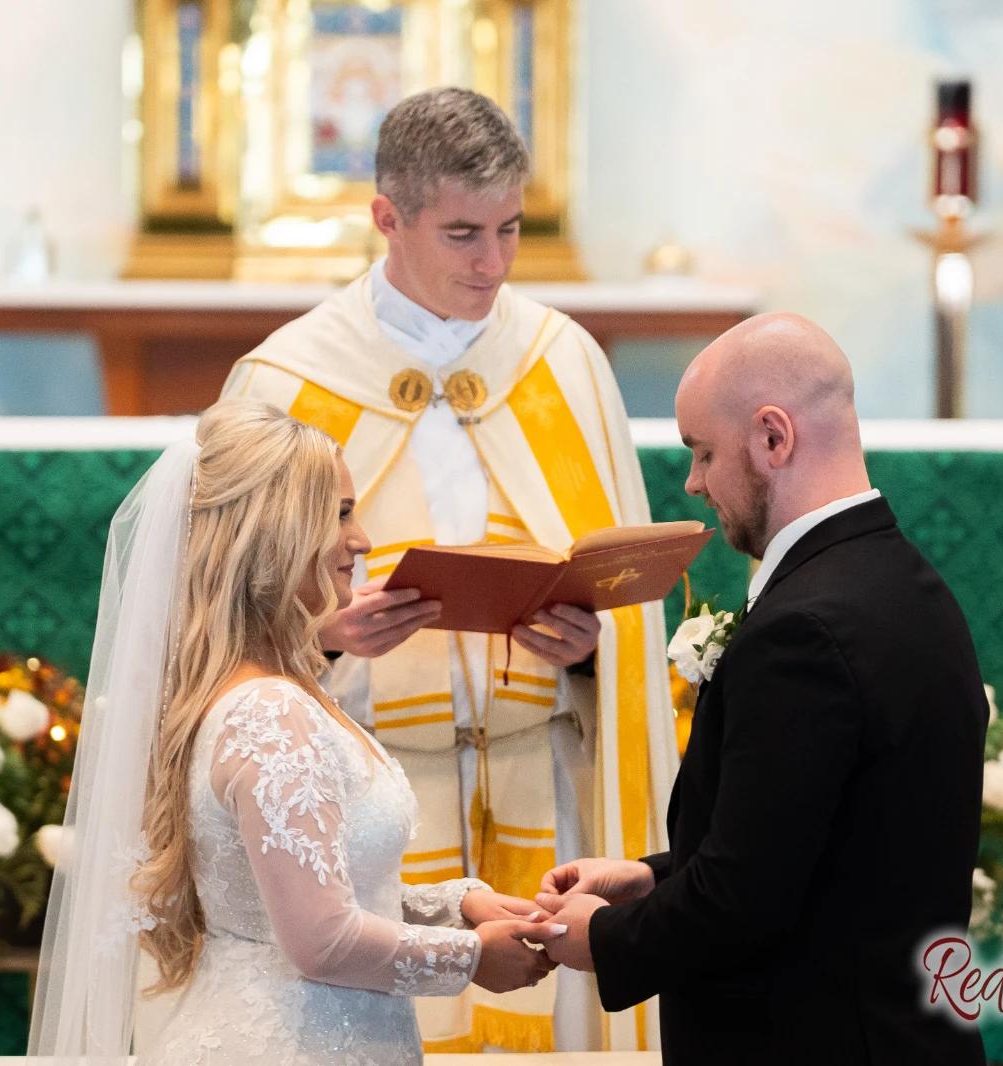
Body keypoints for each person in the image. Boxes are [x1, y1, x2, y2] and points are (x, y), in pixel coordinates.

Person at [219, 87, 677, 1052]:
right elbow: (224, 618)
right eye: (462, 234)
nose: (493, 264)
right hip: (368, 802)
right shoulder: (287, 380)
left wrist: (591, 649)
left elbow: (625, 599)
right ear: (386, 217)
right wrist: (325, 639)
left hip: (544, 782)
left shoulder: (564, 363)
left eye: (510, 230)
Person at [28, 400, 568, 1066]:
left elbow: (306, 894)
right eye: (339, 514)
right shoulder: (268, 712)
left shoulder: (272, 691)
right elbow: (322, 940)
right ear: (275, 533)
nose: (362, 540)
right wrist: (470, 959)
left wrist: (460, 906)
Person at [533, 314, 989, 1064]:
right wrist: (649, 877)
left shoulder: (803, 628)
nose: (694, 481)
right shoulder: (902, 578)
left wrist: (603, 938)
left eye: (704, 452)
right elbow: (817, 846)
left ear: (773, 437)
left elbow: (745, 899)